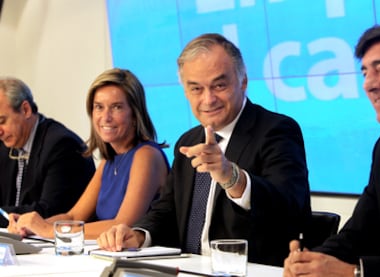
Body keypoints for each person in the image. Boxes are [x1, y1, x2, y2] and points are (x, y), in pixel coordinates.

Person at [97, 33, 311, 267]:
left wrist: (233, 177)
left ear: (243, 81)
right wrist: (139, 234)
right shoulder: (187, 142)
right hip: (188, 269)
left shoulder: (276, 130)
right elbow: (167, 211)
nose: (208, 99)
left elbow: (290, 207)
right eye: (196, 89)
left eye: (219, 85)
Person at [283, 20, 380, 277]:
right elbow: (361, 229)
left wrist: (357, 272)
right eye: (365, 73)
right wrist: (312, 261)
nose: (369, 84)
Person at [7, 68, 170, 239]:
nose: (105, 117)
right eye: (99, 107)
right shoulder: (110, 160)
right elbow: (74, 217)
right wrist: (32, 225)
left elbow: (121, 224)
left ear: (135, 114)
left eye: (116, 107)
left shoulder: (147, 155)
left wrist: (49, 230)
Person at [0, 77, 95, 228]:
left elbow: (49, 211)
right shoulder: (6, 144)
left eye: (2, 121)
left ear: (25, 110)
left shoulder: (62, 145)